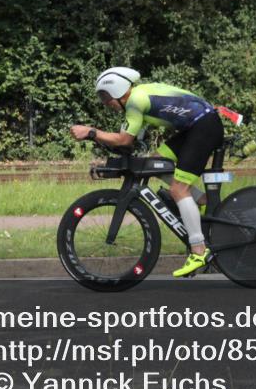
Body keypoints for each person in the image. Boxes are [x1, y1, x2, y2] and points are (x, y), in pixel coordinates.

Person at [69, 66, 224, 278]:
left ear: (117, 90)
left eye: (105, 96)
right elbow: (130, 143)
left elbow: (124, 140)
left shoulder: (134, 101)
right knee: (158, 163)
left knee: (178, 190)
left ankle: (198, 251)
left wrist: (91, 132)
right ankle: (201, 200)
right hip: (198, 124)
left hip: (203, 127)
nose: (105, 103)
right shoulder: (139, 96)